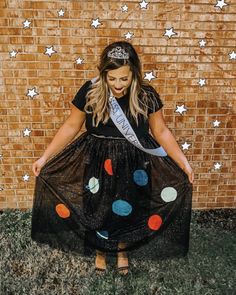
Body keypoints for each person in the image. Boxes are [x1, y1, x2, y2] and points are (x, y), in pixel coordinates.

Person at [31, 41, 194, 276]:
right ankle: (100, 251)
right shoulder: (90, 91)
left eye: (124, 79)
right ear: (103, 74)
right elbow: (71, 126)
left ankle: (122, 250)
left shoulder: (146, 95)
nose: (118, 85)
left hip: (135, 162)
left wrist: (184, 163)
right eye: (112, 78)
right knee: (98, 207)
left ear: (134, 74)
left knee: (130, 206)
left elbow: (161, 131)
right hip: (98, 161)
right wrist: (45, 157)